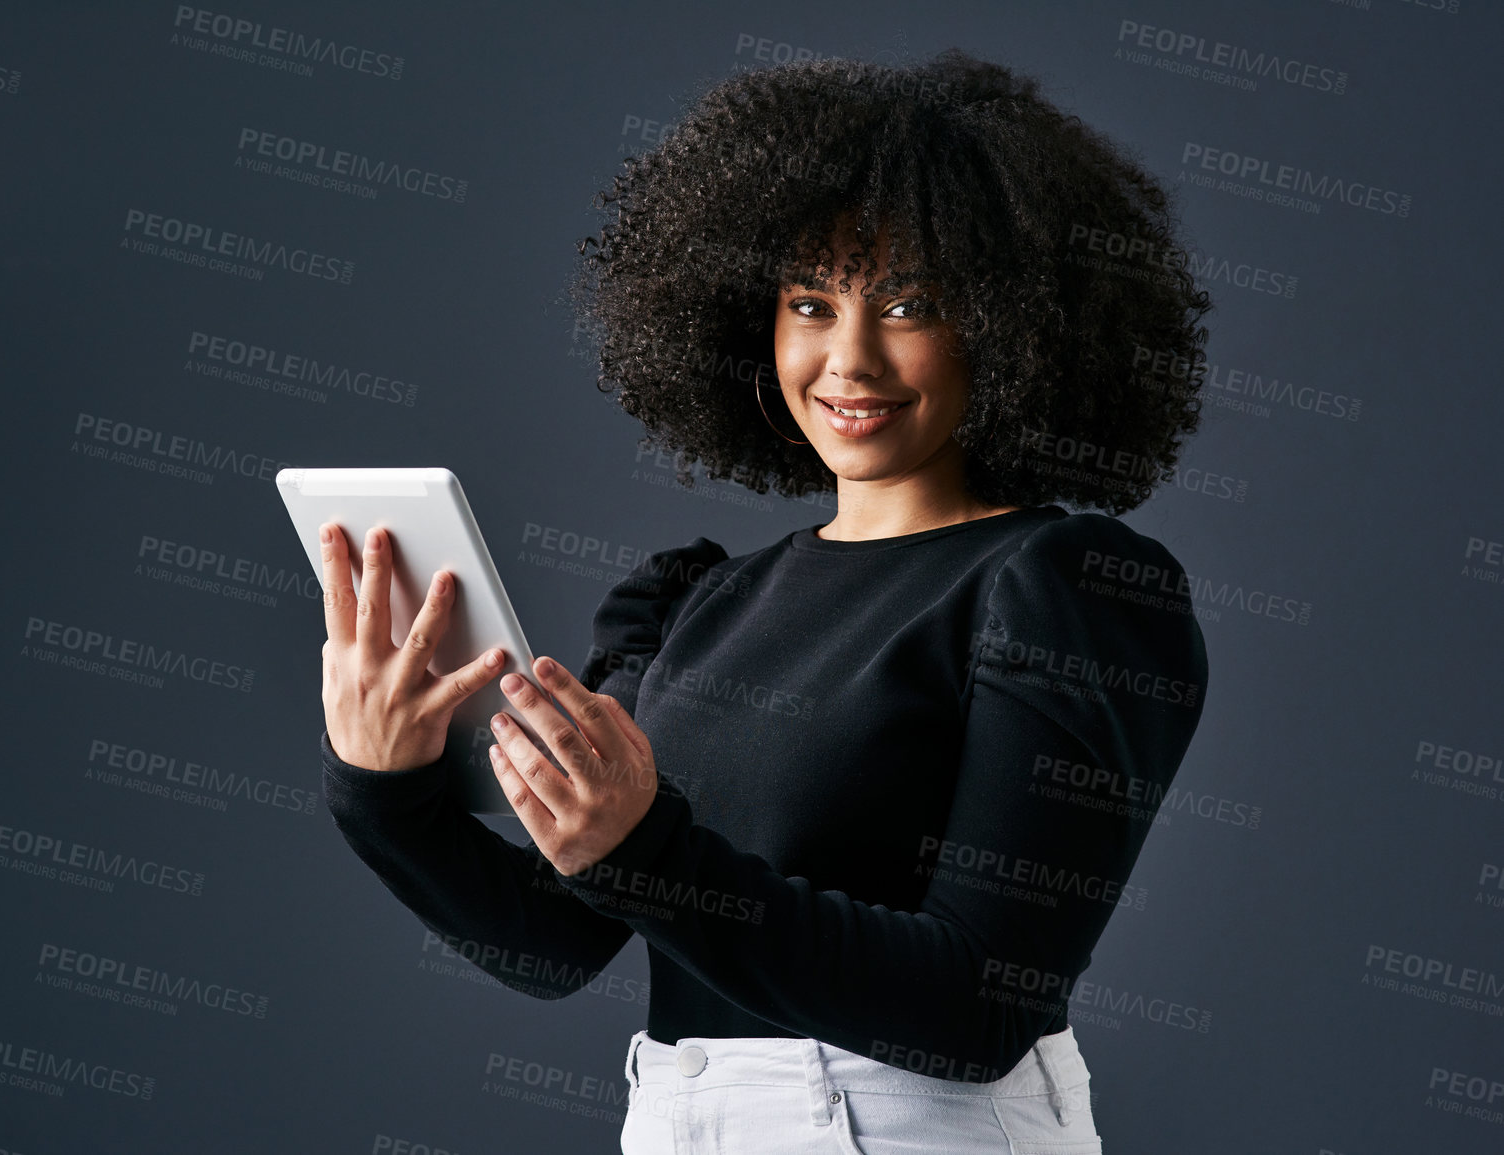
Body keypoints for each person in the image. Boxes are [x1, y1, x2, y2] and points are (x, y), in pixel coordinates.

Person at [317, 50, 1212, 1154]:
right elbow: (556, 944)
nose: (849, 356)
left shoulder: (1070, 590)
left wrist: (647, 850)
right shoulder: (697, 601)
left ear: (1018, 326)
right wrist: (382, 789)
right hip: (681, 1115)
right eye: (809, 302)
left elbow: (980, 1006)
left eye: (911, 303)